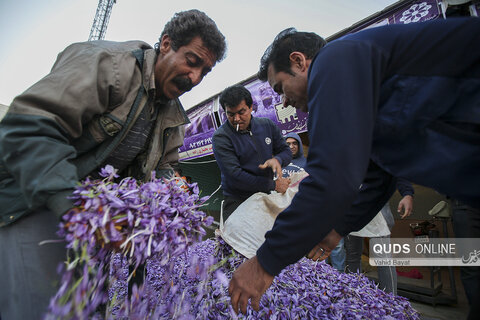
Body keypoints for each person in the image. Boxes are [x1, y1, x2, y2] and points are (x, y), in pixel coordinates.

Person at [228, 18, 480, 317]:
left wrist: (264, 263)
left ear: (299, 61)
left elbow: (331, 176)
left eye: (280, 86)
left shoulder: (335, 61)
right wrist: (338, 228)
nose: (284, 100)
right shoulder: (367, 92)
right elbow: (378, 177)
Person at [0, 9, 226, 319]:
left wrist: (172, 192)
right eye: (191, 61)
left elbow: (165, 166)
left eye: (206, 72)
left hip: (94, 227)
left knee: (84, 309)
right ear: (165, 44)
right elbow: (30, 129)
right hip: (33, 202)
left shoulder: (172, 114)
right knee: (33, 304)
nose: (196, 78)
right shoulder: (110, 65)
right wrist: (79, 211)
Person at [212, 85, 292, 220]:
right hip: (238, 200)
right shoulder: (221, 137)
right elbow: (235, 175)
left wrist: (278, 159)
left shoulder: (267, 125)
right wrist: (273, 185)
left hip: (267, 194)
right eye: (230, 114)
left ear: (250, 108)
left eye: (241, 112)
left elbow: (285, 151)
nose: (236, 119)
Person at [283, 132, 346, 271]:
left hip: (314, 210)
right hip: (287, 214)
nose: (292, 146)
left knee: (335, 247)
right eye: (288, 144)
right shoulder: (278, 164)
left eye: (295, 143)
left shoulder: (309, 163)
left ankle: (340, 278)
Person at [345, 179, 414, 294]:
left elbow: (397, 170)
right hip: (351, 206)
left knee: (383, 259)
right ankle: (352, 296)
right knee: (352, 256)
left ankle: (391, 302)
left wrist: (407, 194)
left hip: (377, 207)